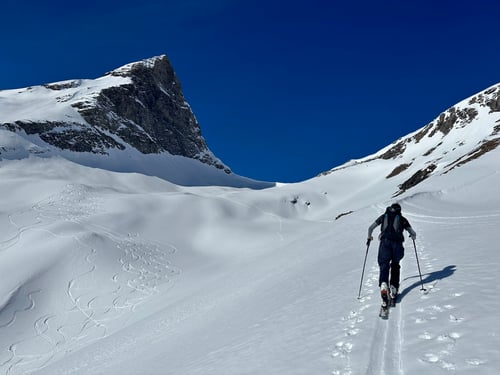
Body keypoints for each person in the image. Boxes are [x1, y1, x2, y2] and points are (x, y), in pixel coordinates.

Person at [367, 203, 416, 305]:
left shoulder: (384, 216)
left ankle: (384, 284)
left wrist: (369, 237)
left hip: (384, 243)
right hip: (397, 244)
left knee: (384, 264)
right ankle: (393, 287)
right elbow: (412, 232)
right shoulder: (402, 219)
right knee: (395, 265)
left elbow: (370, 228)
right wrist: (412, 236)